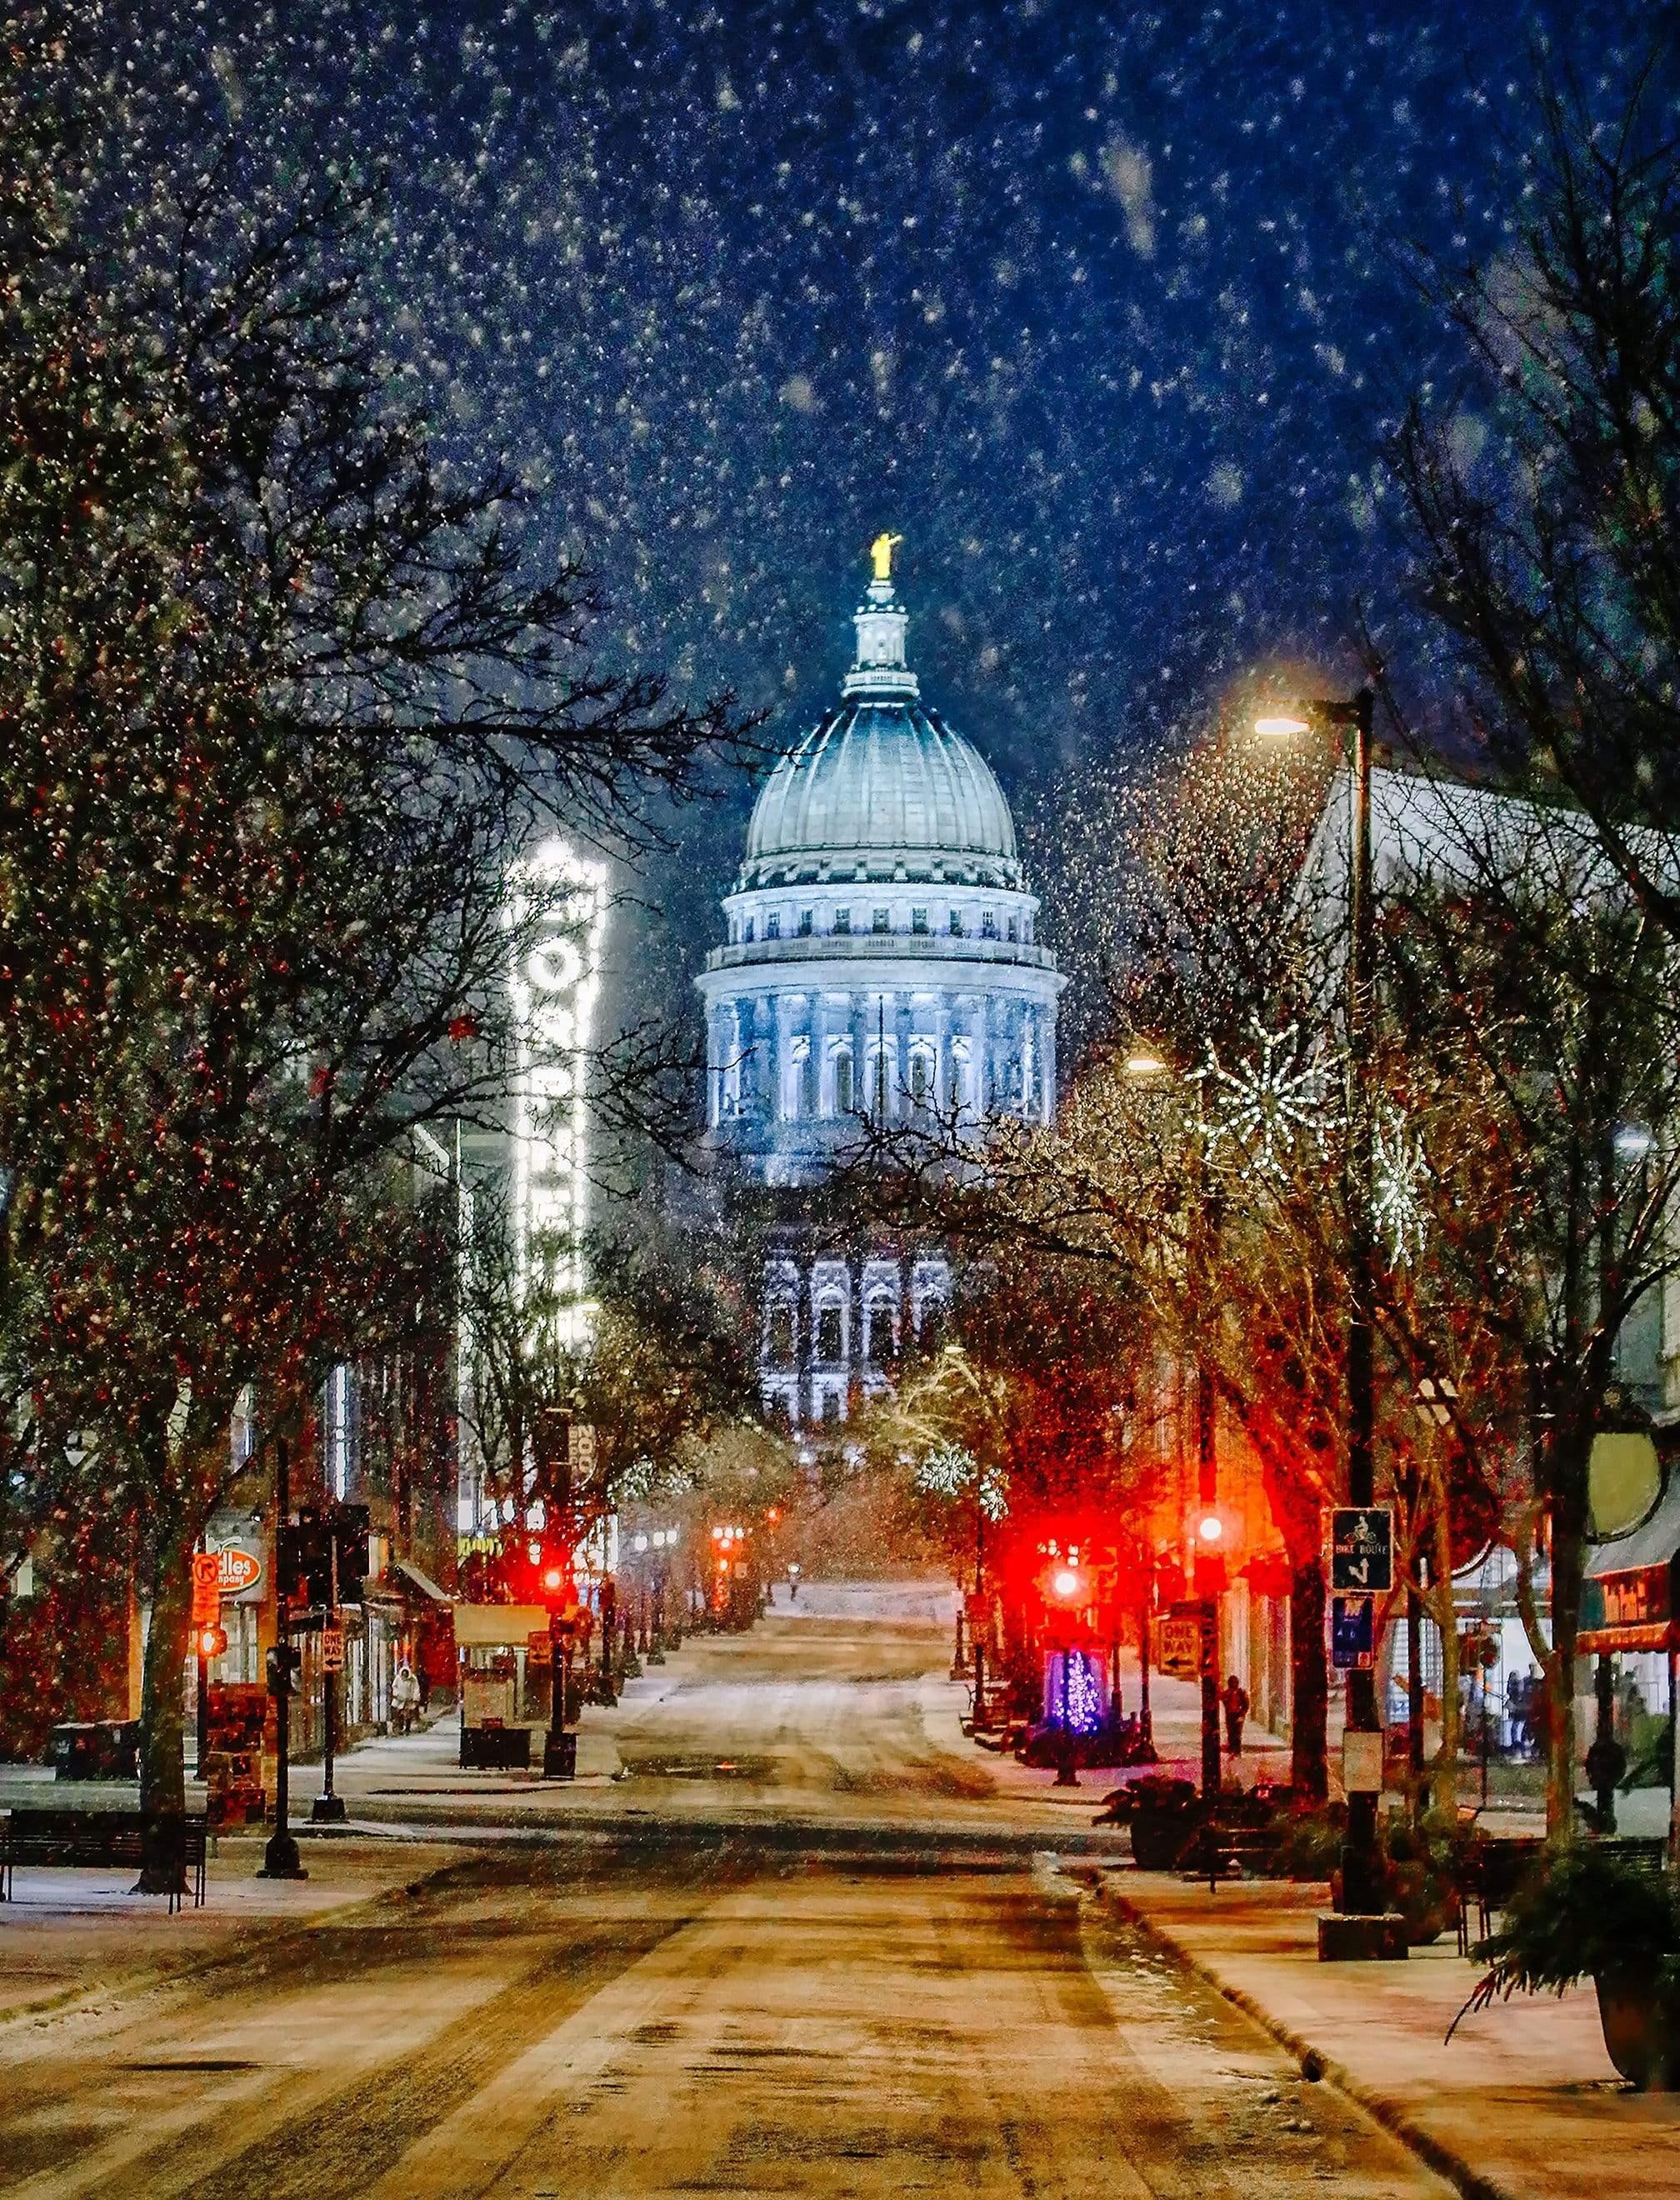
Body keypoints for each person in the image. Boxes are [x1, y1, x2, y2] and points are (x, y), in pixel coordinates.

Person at [392, 1660, 422, 1736]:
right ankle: (400, 1726)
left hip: (409, 1699)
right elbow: (394, 1686)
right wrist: (396, 1694)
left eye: (406, 1674)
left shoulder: (413, 1679)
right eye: (403, 1674)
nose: (404, 1675)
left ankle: (407, 1727)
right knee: (399, 1714)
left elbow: (416, 1688)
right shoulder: (398, 1679)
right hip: (399, 1699)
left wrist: (415, 1697)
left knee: (408, 1714)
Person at [1222, 1673, 1249, 1757]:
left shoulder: (1241, 1693)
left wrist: (1242, 1714)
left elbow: (1246, 1705)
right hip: (1230, 1714)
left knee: (1237, 1732)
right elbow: (1223, 1698)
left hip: (1238, 1714)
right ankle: (1232, 1747)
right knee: (1231, 1731)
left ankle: (1236, 1749)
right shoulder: (1228, 1693)